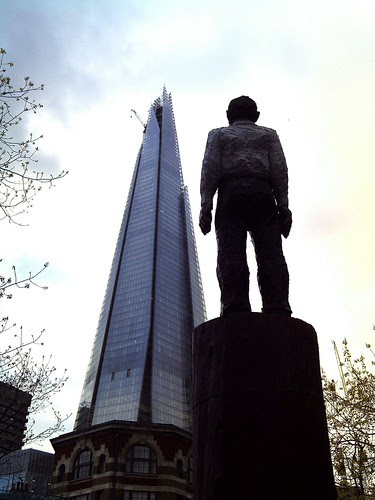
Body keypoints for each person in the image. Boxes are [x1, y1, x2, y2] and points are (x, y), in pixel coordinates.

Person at [199, 96, 292, 316]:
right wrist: (284, 205)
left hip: (231, 193)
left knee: (231, 254)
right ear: (256, 117)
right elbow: (280, 169)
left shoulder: (218, 134)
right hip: (263, 194)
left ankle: (235, 305)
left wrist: (206, 203)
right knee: (271, 254)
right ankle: (277, 305)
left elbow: (209, 168)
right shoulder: (269, 135)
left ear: (228, 116)